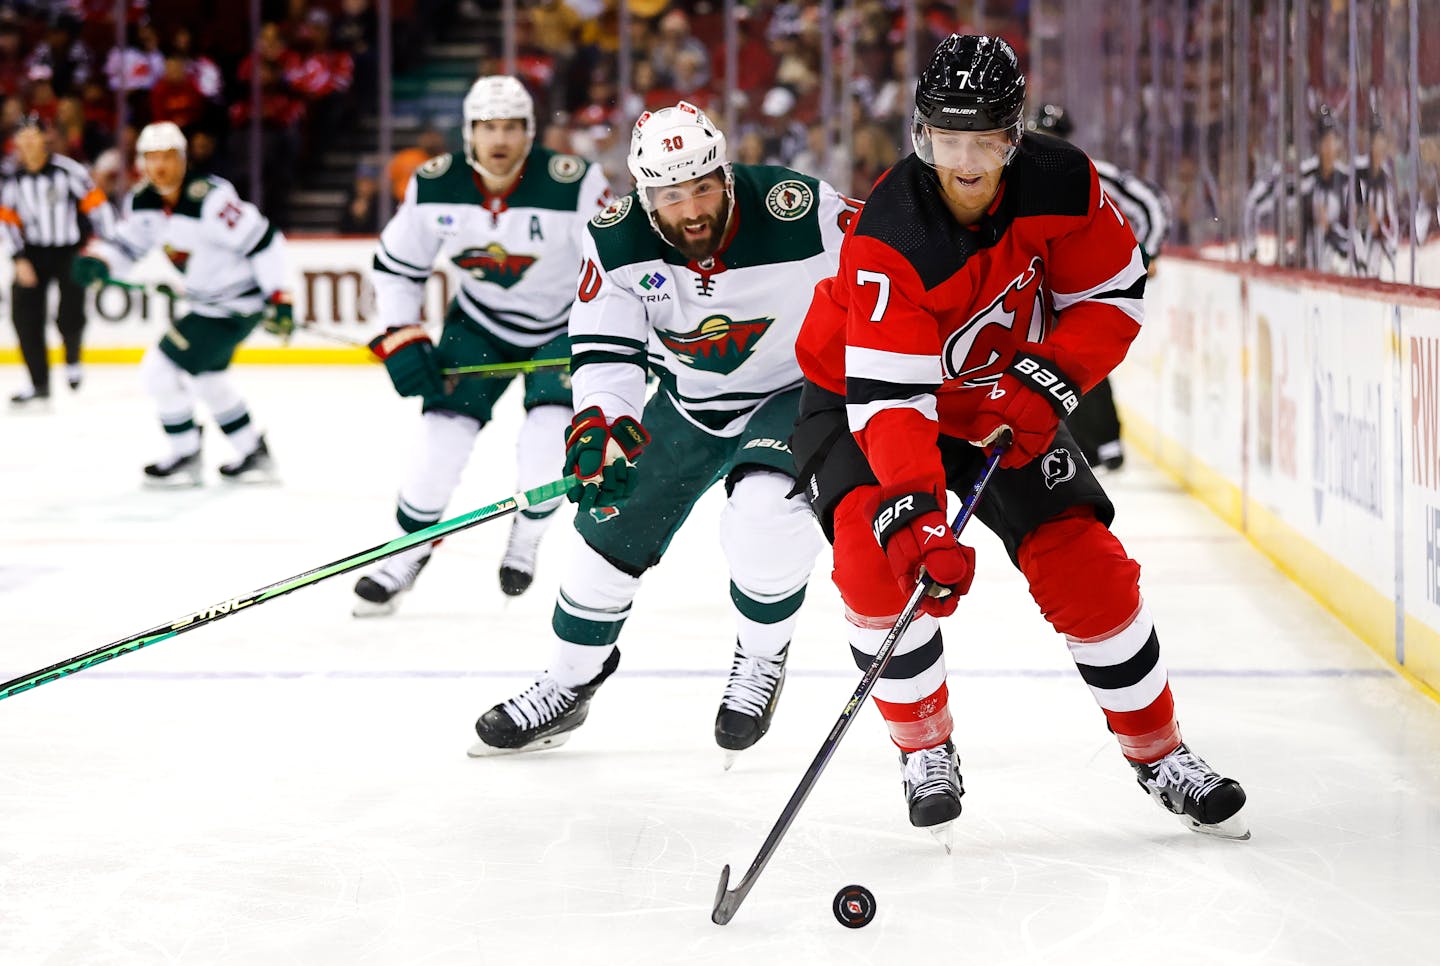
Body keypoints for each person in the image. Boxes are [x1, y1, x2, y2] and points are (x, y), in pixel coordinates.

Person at [791, 36, 1248, 841]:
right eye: (946, 139)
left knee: (1088, 566)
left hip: (996, 400)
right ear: (921, 136)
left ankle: (1159, 752)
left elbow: (1113, 294)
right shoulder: (890, 238)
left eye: (984, 140)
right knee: (876, 567)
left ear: (1014, 136)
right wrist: (918, 514)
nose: (964, 162)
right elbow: (892, 401)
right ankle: (923, 747)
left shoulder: (1062, 183)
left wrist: (1049, 378)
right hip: (866, 401)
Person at [468, 101, 853, 762]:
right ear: (644, 195)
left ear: (727, 177)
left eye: (704, 187)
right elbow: (606, 347)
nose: (693, 209)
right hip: (689, 401)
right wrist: (603, 425)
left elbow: (896, 265)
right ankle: (569, 683)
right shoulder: (616, 238)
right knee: (603, 535)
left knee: (765, 515)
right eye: (671, 195)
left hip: (794, 393)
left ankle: (761, 658)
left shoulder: (800, 208)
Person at [353, 76, 612, 613]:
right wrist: (401, 334)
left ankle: (528, 535)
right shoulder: (433, 184)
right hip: (477, 326)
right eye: (488, 127)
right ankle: (408, 551)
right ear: (469, 133)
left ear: (531, 133)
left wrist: (627, 342)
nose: (500, 139)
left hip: (564, 328)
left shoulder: (575, 182)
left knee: (546, 449)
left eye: (512, 127)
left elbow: (615, 267)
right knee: (436, 447)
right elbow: (397, 268)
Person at [72, 121, 293, 486]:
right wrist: (101, 260)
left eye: (167, 157)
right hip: (209, 306)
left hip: (234, 307)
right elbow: (129, 245)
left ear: (184, 160)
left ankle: (185, 452)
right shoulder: (143, 201)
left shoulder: (211, 199)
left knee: (158, 371)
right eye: (151, 158)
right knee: (208, 379)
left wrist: (280, 296)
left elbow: (265, 242)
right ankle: (252, 450)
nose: (159, 167)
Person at [1029, 103, 1172, 471]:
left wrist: (1144, 254)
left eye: (1054, 137)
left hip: (1088, 283)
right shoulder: (1023, 177)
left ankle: (1104, 439)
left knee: (1081, 358)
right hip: (1050, 285)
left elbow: (1153, 203)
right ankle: (1090, 443)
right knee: (1062, 358)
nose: (1048, 143)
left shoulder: (1089, 173)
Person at [1, 115, 113, 407]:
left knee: (70, 313)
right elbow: (7, 221)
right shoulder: (12, 178)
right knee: (24, 317)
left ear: (44, 137)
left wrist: (104, 246)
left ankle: (72, 356)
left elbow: (97, 206)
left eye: (32, 134)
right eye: (21, 135)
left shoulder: (68, 171)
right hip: (33, 252)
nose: (27, 141)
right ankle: (39, 384)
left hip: (70, 249)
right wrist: (18, 258)